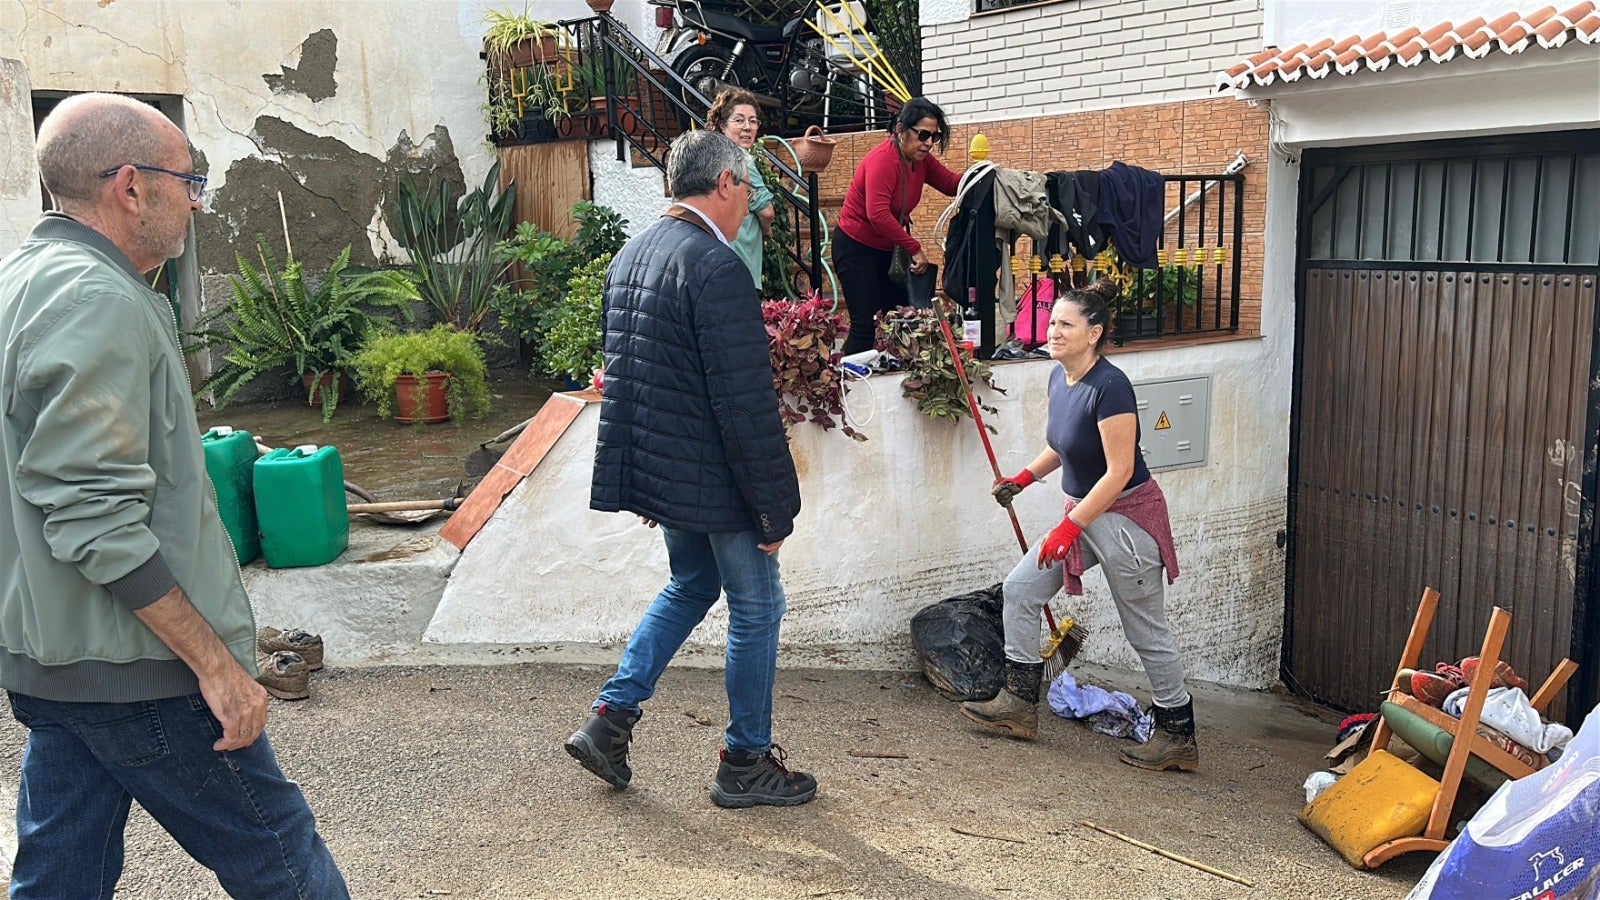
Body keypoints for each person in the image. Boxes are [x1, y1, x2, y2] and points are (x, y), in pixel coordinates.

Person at [0, 93, 349, 897]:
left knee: (61, 873)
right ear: (131, 187)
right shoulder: (96, 300)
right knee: (281, 860)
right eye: (190, 182)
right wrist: (217, 667)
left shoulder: (26, 279)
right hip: (142, 669)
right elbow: (94, 516)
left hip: (58, 659)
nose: (197, 201)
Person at [564, 129, 815, 809]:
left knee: (691, 583)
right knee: (759, 607)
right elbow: (743, 403)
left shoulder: (632, 255)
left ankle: (610, 721)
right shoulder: (716, 265)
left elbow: (631, 380)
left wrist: (652, 476)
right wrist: (773, 508)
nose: (748, 205)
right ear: (727, 183)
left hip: (678, 474)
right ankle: (745, 760)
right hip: (721, 479)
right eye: (747, 187)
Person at [959, 279, 1198, 772]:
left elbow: (1120, 472)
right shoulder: (1059, 377)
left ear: (1095, 333)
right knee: (1021, 589)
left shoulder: (1111, 387)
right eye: (1052, 322)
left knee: (1145, 629)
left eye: (1066, 324)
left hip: (1128, 521)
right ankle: (1019, 705)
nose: (1054, 331)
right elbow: (1064, 445)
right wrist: (1023, 478)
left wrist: (1070, 528)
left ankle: (1178, 734)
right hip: (1086, 517)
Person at [832, 96, 961, 354]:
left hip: (886, 251)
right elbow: (877, 213)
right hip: (856, 247)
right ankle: (845, 387)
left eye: (933, 137)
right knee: (864, 326)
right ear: (901, 130)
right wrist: (914, 247)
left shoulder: (919, 160)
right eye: (923, 134)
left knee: (902, 321)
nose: (928, 143)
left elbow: (950, 184)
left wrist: (982, 176)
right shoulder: (883, 160)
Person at [706, 88, 775, 291]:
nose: (747, 127)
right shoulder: (741, 160)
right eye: (739, 120)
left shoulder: (711, 155)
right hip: (740, 259)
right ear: (722, 124)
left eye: (753, 121)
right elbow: (767, 210)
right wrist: (767, 230)